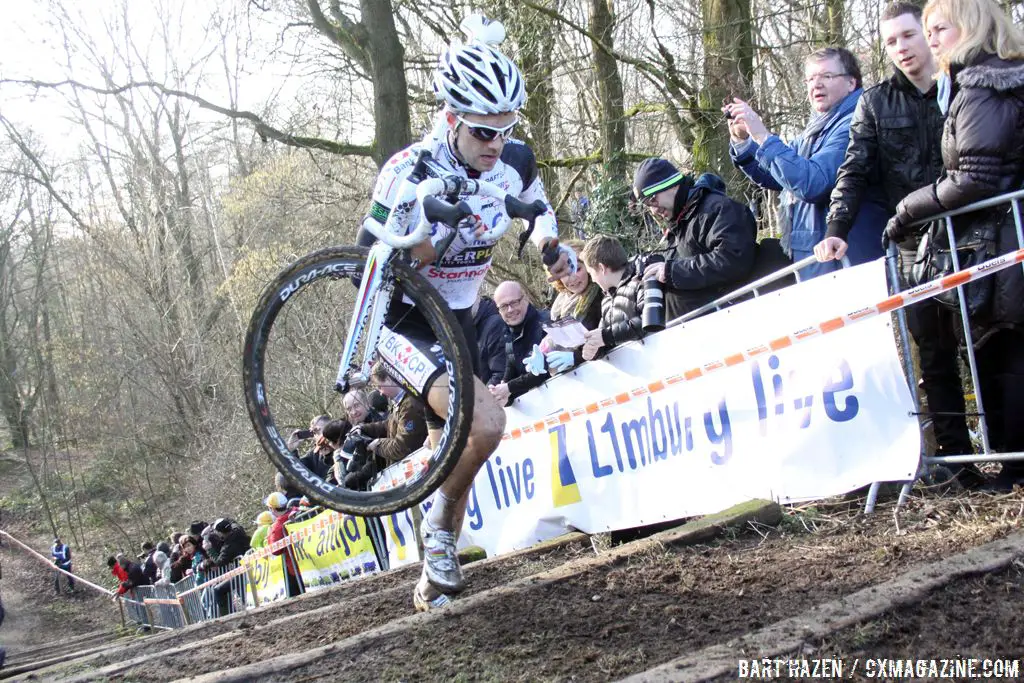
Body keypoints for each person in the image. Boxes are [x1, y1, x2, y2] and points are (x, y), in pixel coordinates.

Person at [355, 14, 574, 612]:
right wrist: (432, 238)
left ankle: (436, 557)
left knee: (473, 438)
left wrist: (554, 251)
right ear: (451, 120)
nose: (495, 145)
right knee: (483, 425)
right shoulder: (409, 170)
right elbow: (362, 264)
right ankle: (443, 533)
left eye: (506, 130)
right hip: (403, 318)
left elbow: (539, 212)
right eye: (482, 132)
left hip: (462, 319)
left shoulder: (514, 160)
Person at [814, 2, 979, 483]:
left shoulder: (968, 82)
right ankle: (956, 463)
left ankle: (1010, 449)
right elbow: (853, 170)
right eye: (890, 42)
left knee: (990, 344)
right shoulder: (876, 102)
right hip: (913, 243)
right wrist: (836, 231)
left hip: (977, 233)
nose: (902, 49)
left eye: (908, 36)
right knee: (933, 351)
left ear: (928, 34)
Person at [884, 0, 1024, 490]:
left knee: (1002, 353)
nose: (932, 38)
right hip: (997, 234)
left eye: (939, 27)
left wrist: (908, 209)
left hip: (1001, 237)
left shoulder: (985, 85)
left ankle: (1013, 469)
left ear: (970, 26)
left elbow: (973, 178)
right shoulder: (985, 80)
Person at [726, 48, 888, 278]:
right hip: (819, 260)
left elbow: (812, 183)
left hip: (850, 259)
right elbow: (776, 175)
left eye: (826, 76)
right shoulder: (815, 130)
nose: (816, 84)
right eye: (811, 78)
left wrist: (763, 136)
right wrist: (742, 140)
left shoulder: (854, 124)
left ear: (851, 83)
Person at [633, 158, 757, 320]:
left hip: (732, 319)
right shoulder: (678, 226)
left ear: (672, 184)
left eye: (653, 199)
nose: (654, 210)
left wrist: (671, 271)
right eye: (647, 205)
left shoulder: (718, 209)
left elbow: (734, 259)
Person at [578, 235, 647, 360]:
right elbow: (604, 340)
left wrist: (605, 336)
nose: (592, 280)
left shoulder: (641, 281)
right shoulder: (607, 300)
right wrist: (593, 351)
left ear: (601, 268)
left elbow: (648, 322)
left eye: (591, 273)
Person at [487, 281, 550, 405]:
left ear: (525, 298)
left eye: (514, 303)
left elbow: (542, 371)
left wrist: (509, 388)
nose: (510, 310)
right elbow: (511, 367)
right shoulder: (507, 333)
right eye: (504, 306)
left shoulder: (546, 323)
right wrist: (500, 390)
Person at [474, 294, 506, 386]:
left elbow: (501, 374)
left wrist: (482, 399)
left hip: (500, 396)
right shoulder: (466, 329)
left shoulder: (496, 325)